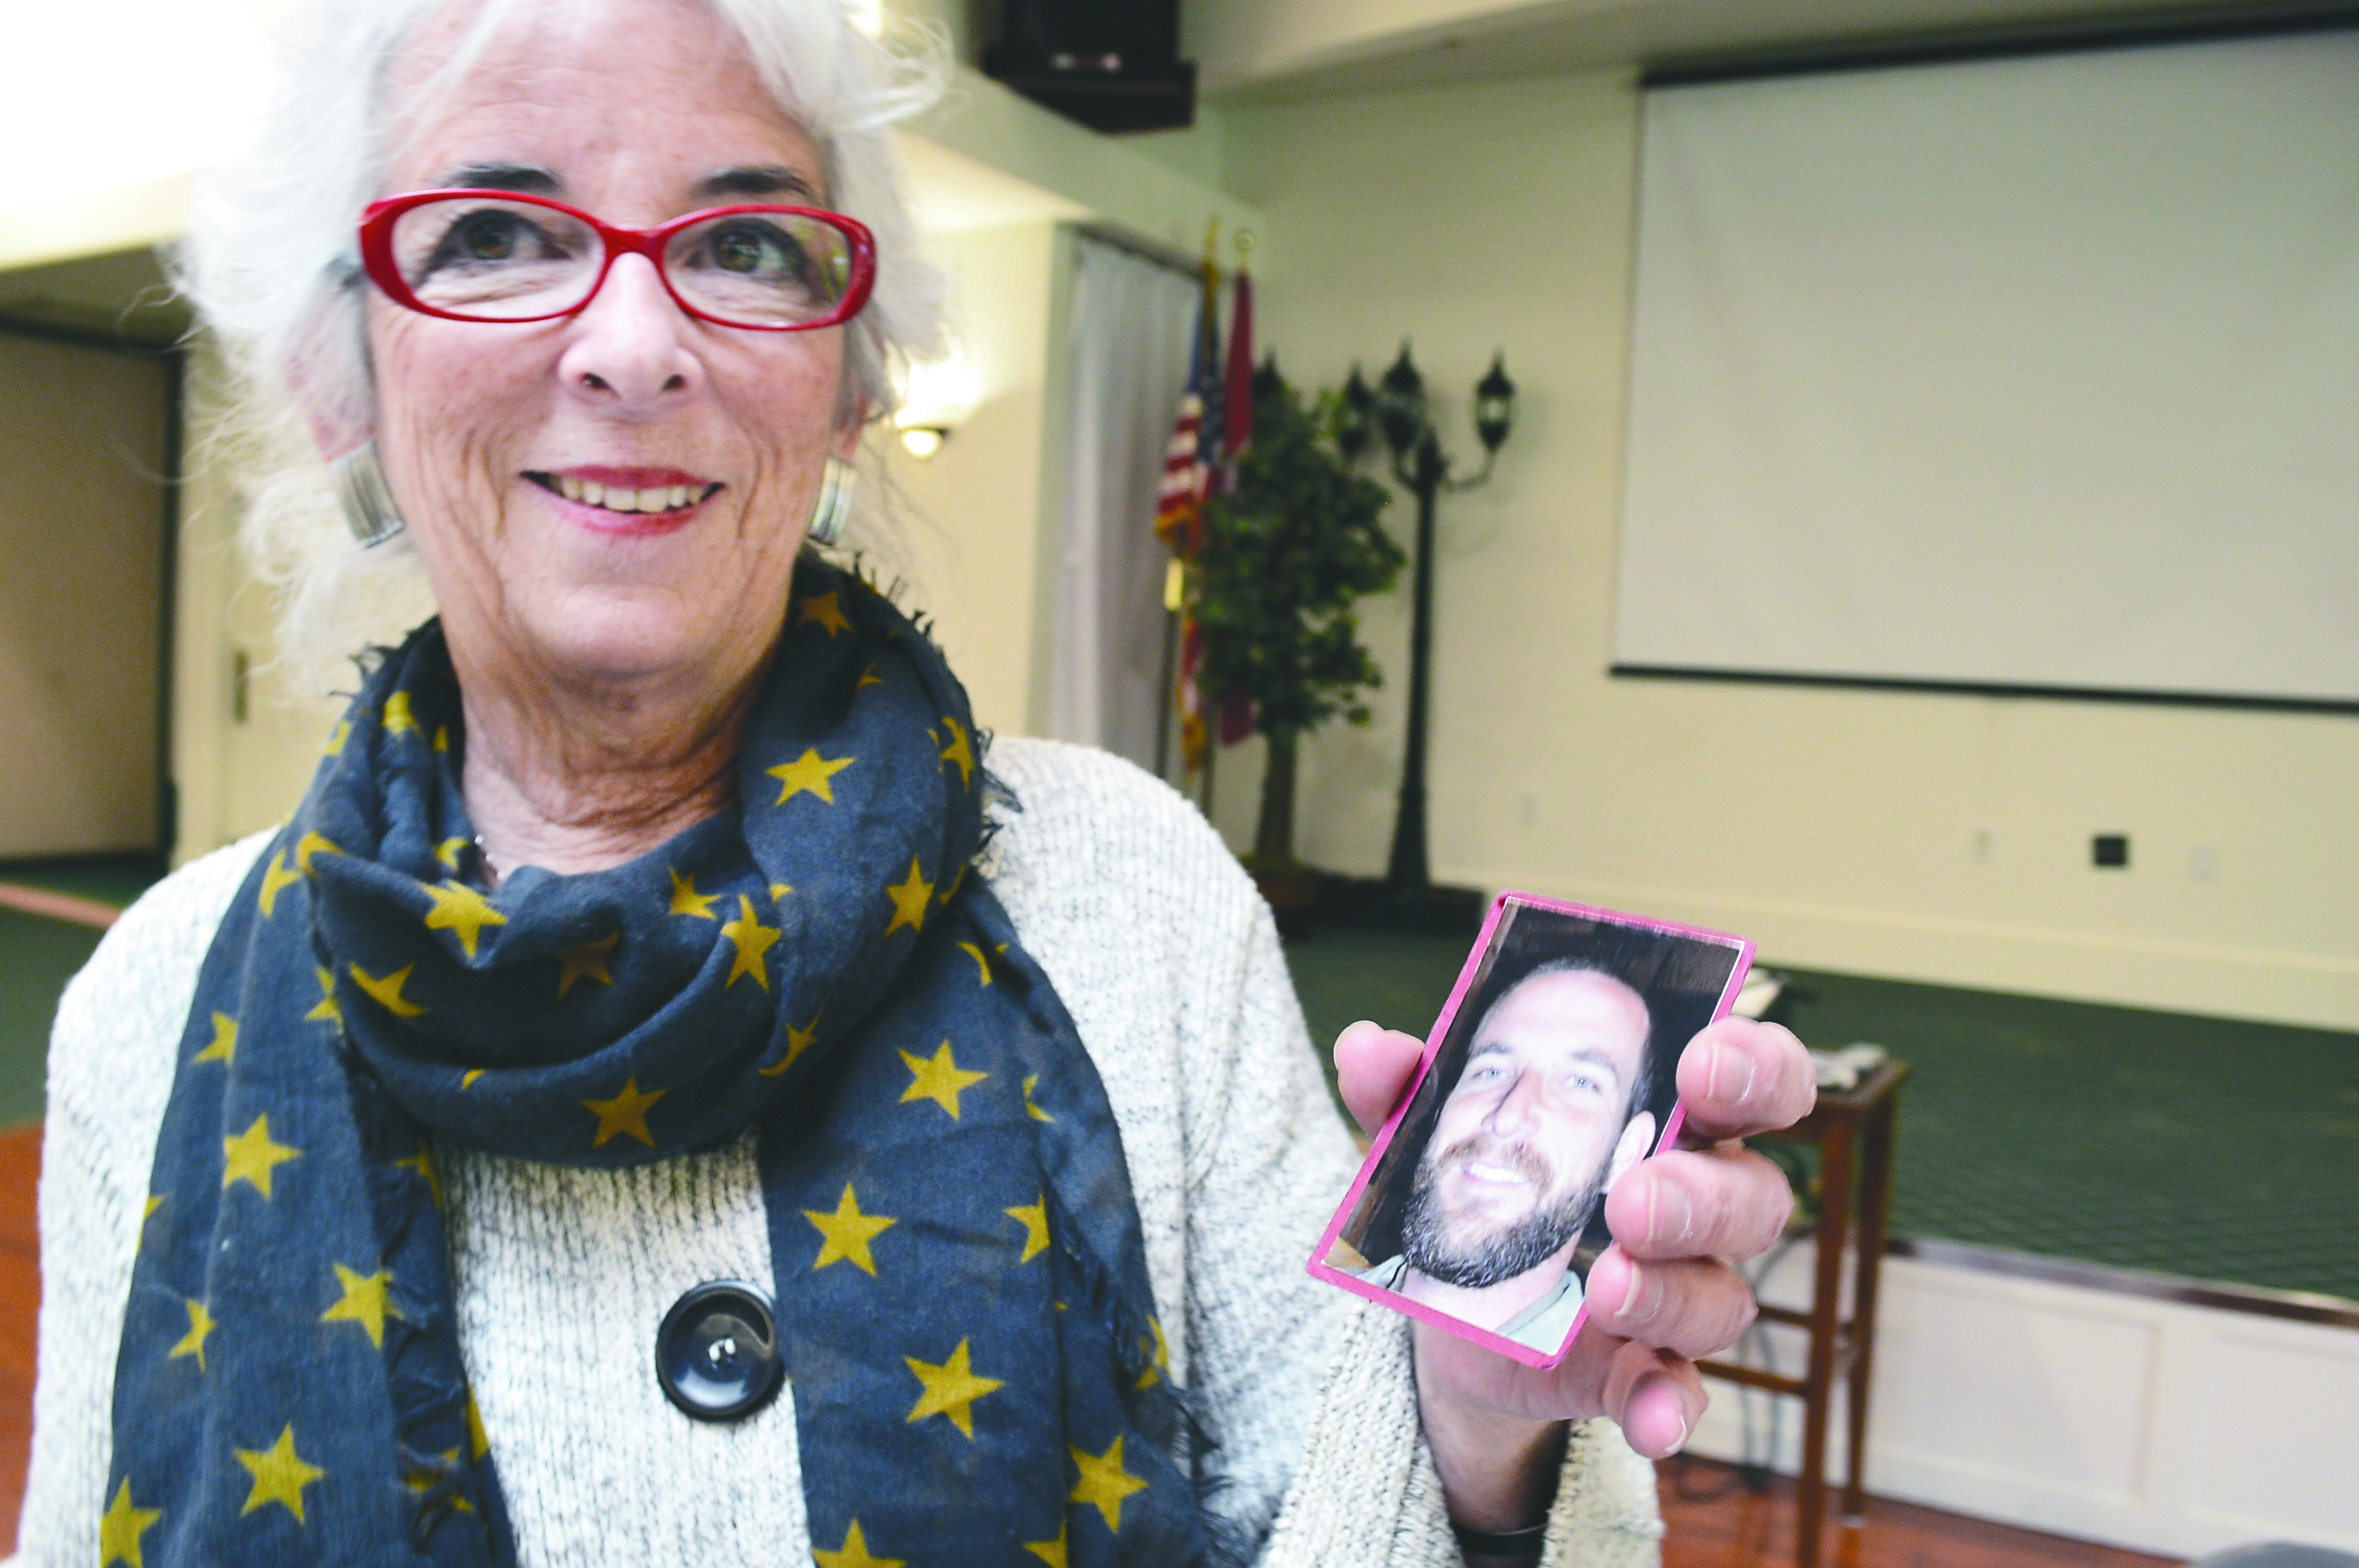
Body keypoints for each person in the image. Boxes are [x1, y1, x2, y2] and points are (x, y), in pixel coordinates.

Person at [15, 1, 1816, 1564]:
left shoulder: (1135, 894)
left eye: (745, 244)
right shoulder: (153, 1005)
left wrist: (1479, 1418)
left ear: (850, 386)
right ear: (337, 375)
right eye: (494, 230)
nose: (634, 343)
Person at [1355, 966, 1662, 1355]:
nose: (1508, 1117)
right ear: (1442, 1108)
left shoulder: (1602, 1383)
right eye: (1491, 1071)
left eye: (1581, 1082)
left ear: (1624, 1155)